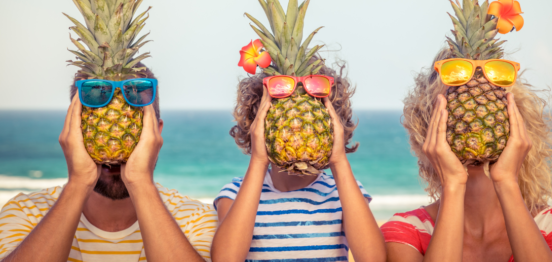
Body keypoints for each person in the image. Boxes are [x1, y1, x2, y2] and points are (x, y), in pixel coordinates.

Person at [381, 49, 552, 262]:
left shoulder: (551, 225)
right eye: (461, 104)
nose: (474, 121)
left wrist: (507, 181)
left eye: (485, 102)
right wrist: (453, 185)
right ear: (426, 122)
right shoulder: (406, 231)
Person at [0, 69, 217, 262]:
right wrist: (78, 183)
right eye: (100, 127)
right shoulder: (25, 212)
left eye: (128, 129)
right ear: (71, 131)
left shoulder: (195, 217)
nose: (113, 146)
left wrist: (140, 182)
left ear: (156, 133)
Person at [211, 63, 386, 262]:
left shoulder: (342, 193)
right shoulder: (235, 192)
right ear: (261, 121)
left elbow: (373, 258)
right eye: (286, 114)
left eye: (307, 112)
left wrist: (338, 161)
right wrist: (258, 161)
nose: (295, 124)